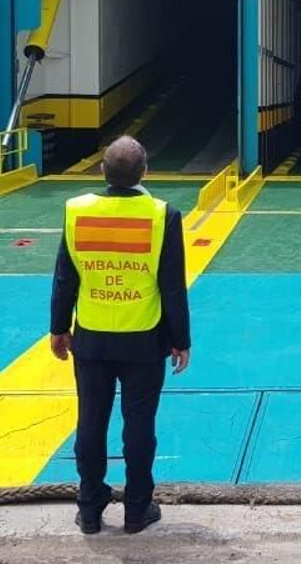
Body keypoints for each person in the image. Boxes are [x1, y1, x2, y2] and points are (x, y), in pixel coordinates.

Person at [49, 136, 192, 535]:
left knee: (91, 422)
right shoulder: (163, 214)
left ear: (102, 171)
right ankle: (136, 509)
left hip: (91, 339)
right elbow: (172, 286)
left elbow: (66, 277)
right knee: (140, 425)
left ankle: (90, 508)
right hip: (144, 340)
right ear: (145, 172)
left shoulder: (77, 211)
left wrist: (59, 328)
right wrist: (181, 339)